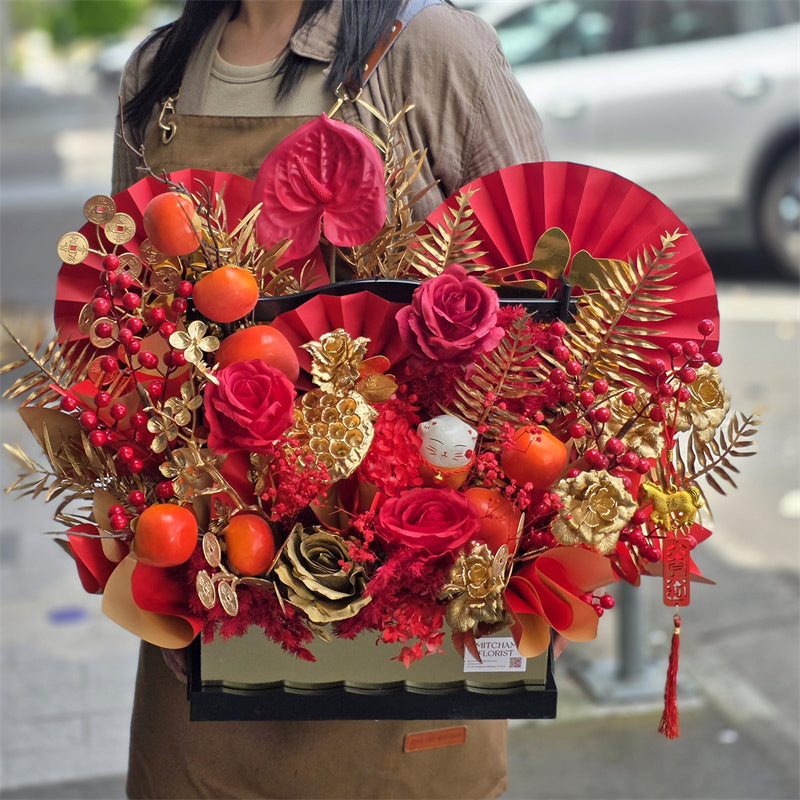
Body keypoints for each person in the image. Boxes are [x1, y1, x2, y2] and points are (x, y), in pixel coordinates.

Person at [113, 1, 548, 797]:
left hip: (400, 580)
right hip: (212, 591)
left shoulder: (429, 48)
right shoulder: (160, 72)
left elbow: (536, 300)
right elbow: (130, 321)